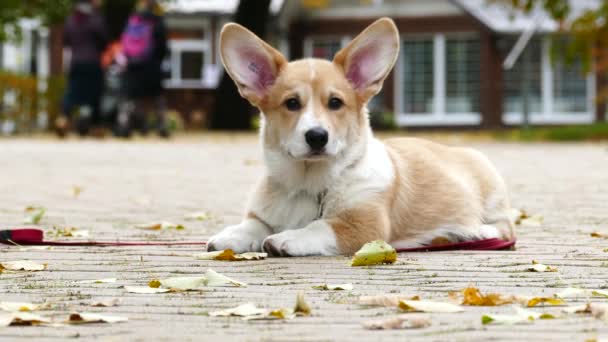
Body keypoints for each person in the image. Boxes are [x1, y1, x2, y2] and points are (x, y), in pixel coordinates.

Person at [119, 0, 169, 137]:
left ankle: (124, 125)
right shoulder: (157, 21)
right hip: (151, 66)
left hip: (133, 66)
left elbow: (124, 44)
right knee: (157, 97)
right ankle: (162, 126)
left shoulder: (133, 20)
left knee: (131, 97)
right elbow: (163, 47)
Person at [58, 0, 108, 137]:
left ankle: (63, 118)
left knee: (72, 91)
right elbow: (103, 41)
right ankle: (96, 126)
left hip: (76, 61)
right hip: (93, 61)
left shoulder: (71, 19)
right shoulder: (95, 18)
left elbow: (66, 41)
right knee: (95, 94)